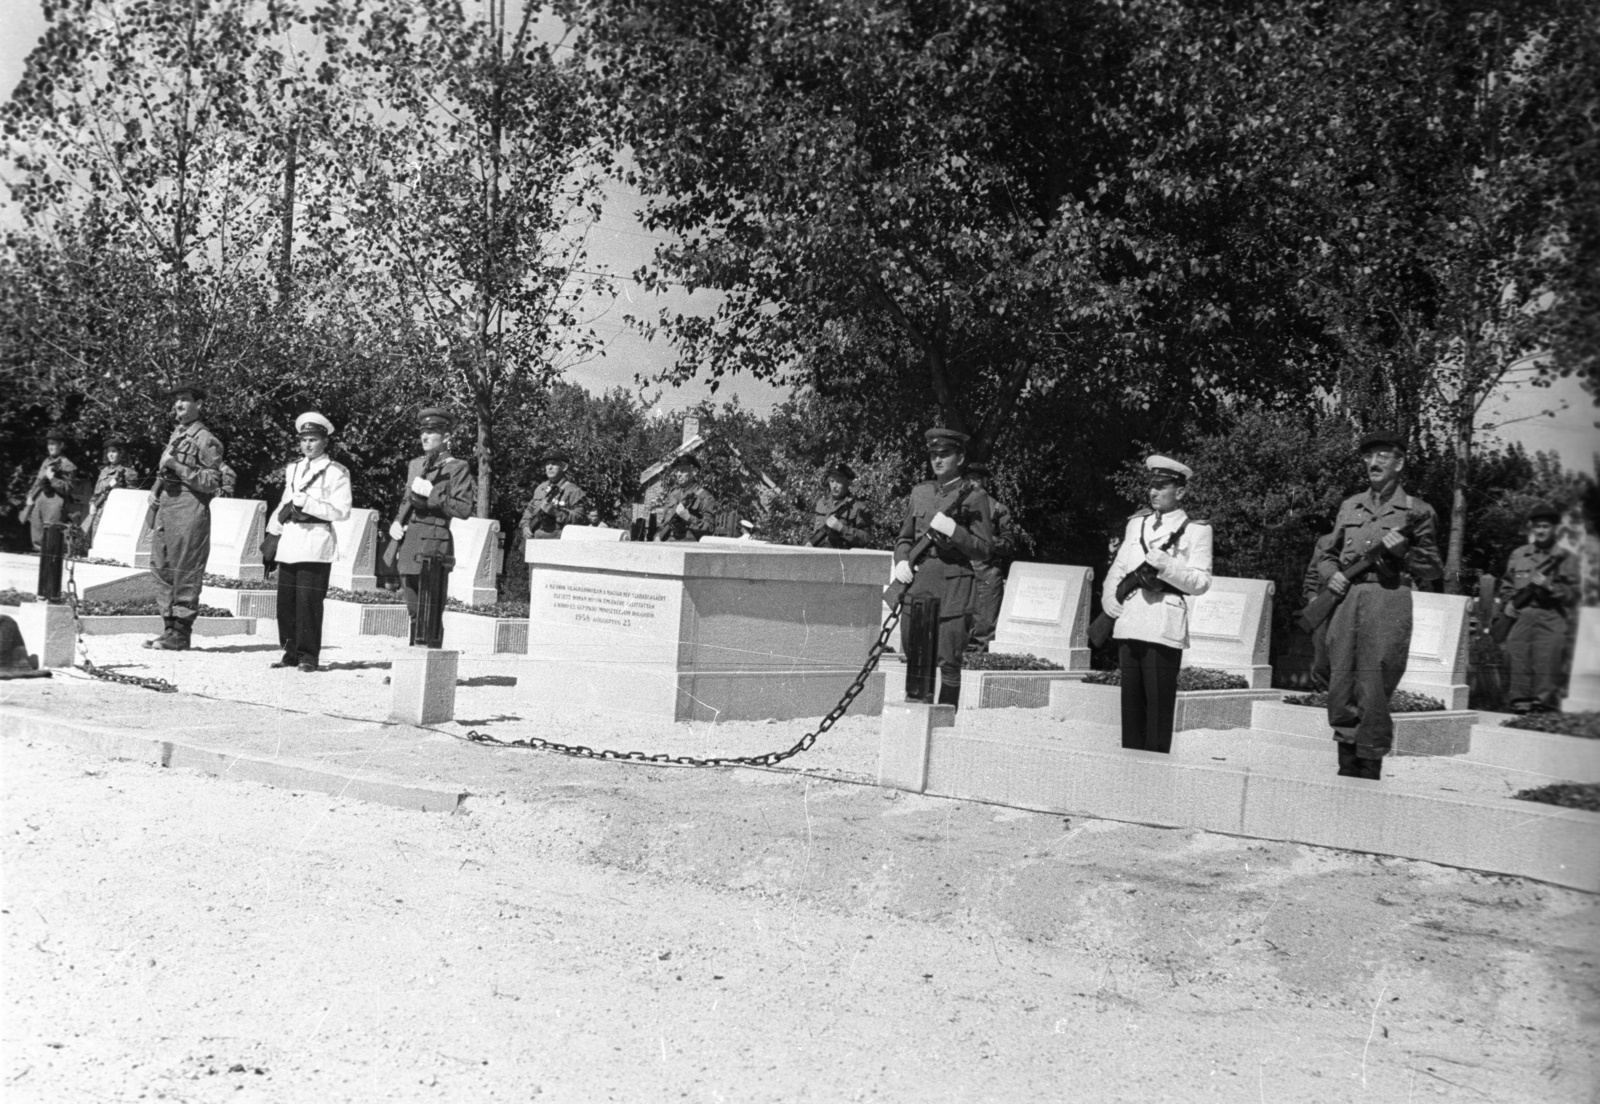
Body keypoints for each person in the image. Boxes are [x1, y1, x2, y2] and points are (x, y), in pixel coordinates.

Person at [1314, 429, 1443, 779]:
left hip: (1388, 600)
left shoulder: (1418, 511)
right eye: (1368, 457)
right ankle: (1346, 769)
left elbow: (1433, 568)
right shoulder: (1349, 505)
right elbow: (1324, 553)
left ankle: (1368, 771)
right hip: (1346, 598)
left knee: (1373, 687)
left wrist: (1405, 552)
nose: (1373, 463)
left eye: (1382, 457)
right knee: (1340, 684)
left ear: (1399, 463)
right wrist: (1332, 575)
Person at [1102, 456, 1214, 753]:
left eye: (1162, 487)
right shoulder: (1136, 523)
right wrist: (1108, 596)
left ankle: (1155, 774)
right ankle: (1129, 769)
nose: (1153, 493)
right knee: (1131, 708)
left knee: (1158, 708)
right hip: (1130, 617)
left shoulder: (1196, 530)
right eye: (1151, 486)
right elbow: (1119, 566)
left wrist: (1167, 565)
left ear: (1180, 492)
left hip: (1162, 623)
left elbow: (1201, 582)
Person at [891, 428, 995, 708]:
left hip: (953, 588)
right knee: (914, 656)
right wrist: (901, 560)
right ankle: (914, 716)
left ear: (960, 458)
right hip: (918, 583)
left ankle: (945, 722)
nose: (938, 460)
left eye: (945, 454)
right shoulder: (920, 492)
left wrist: (956, 533)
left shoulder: (975, 497)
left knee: (948, 661)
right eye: (934, 455)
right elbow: (904, 537)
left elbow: (984, 548)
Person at [265, 414, 353, 673]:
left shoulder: (337, 471)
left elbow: (342, 511)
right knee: (286, 604)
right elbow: (286, 499)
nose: (308, 445)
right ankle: (290, 652)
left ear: (325, 441)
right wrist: (275, 524)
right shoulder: (293, 468)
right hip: (291, 540)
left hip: (315, 542)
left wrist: (311, 505)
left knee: (308, 604)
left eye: (313, 440)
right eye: (304, 440)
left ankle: (308, 656)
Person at [145, 385, 225, 651]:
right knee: (161, 566)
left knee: (185, 568)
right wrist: (154, 492)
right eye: (176, 400)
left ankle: (181, 632)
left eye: (185, 400)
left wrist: (177, 466)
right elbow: (162, 469)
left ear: (199, 404)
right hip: (166, 505)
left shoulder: (206, 440)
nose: (178, 405)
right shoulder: (176, 435)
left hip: (189, 506)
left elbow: (212, 481)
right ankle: (168, 628)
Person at [388, 408, 475, 638]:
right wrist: (396, 522)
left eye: (431, 432)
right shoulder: (416, 465)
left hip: (434, 543)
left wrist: (433, 493)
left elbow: (464, 509)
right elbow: (407, 500)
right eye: (422, 432)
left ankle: (429, 667)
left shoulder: (458, 467)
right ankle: (412, 666)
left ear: (446, 437)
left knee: (430, 610)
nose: (424, 437)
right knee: (413, 609)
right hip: (410, 540)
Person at [1500, 502, 1579, 713]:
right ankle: (1520, 707)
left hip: (1552, 616)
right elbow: (1507, 583)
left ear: (1555, 529)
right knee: (1517, 656)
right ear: (1531, 528)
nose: (1541, 530)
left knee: (1548, 663)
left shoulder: (1566, 557)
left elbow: (1574, 594)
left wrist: (1549, 585)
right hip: (1522, 616)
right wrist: (1508, 601)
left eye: (1546, 526)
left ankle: (1543, 710)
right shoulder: (1519, 554)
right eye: (1537, 526)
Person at [964, 461, 1019, 653]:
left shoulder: (997, 508)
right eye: (969, 479)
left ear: (984, 481)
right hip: (961, 570)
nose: (973, 483)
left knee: (984, 628)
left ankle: (976, 668)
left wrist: (985, 540)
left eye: (977, 479)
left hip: (987, 572)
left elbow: (1008, 544)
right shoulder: (957, 506)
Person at [22, 427, 79, 552]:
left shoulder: (68, 465)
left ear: (61, 445)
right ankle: (40, 563)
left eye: (53, 444)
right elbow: (38, 480)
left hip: (55, 503)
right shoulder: (46, 461)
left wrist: (52, 479)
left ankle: (51, 565)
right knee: (36, 534)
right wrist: (31, 496)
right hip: (40, 500)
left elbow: (67, 489)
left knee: (51, 536)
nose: (50, 447)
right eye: (49, 444)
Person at [1300, 514, 1339, 691]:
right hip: (1325, 602)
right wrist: (1313, 599)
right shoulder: (1326, 541)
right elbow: (1313, 574)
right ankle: (1320, 698)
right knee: (1322, 660)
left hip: (1355, 603)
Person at [520, 449, 594, 541]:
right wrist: (526, 526)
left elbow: (581, 519)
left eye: (554, 463)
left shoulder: (573, 491)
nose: (549, 467)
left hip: (559, 544)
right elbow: (529, 510)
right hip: (536, 541)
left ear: (564, 467)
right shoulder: (540, 488)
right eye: (547, 464)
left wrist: (557, 513)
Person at [84, 437, 140, 545]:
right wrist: (92, 505)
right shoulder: (104, 471)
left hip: (115, 516)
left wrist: (120, 489)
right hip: (99, 513)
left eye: (114, 451)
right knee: (95, 545)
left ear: (121, 453)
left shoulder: (128, 473)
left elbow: (133, 500)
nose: (111, 454)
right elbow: (97, 493)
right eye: (109, 451)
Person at [809, 462, 873, 549]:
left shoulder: (857, 507)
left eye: (838, 481)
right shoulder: (821, 504)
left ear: (847, 482)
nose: (834, 486)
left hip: (841, 559)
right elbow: (809, 529)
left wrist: (842, 528)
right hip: (817, 557)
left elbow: (866, 538)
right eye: (832, 481)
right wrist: (807, 542)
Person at [655, 454, 717, 542]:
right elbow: (664, 523)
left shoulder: (705, 497)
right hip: (666, 544)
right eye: (677, 471)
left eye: (683, 470)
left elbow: (710, 529)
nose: (678, 474)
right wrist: (657, 536)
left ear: (694, 472)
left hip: (688, 545)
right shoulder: (673, 494)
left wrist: (688, 517)